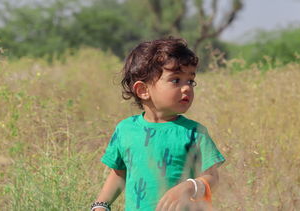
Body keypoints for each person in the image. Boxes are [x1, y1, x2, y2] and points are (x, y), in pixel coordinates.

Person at [91, 37, 225, 211]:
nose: (187, 88)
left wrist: (190, 186)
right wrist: (101, 205)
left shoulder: (194, 132)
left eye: (190, 81)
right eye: (176, 80)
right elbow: (119, 173)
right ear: (143, 90)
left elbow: (212, 177)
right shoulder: (125, 130)